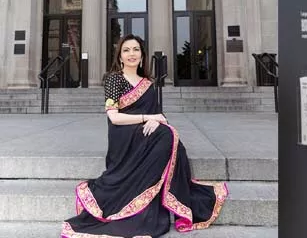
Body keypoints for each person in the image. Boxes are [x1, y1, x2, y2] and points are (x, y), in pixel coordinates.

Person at [61, 34, 228, 238]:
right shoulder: (114, 78)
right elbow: (114, 118)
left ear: (142, 56)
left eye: (136, 50)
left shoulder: (148, 84)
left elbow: (159, 115)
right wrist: (146, 117)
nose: (131, 54)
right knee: (167, 135)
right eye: (126, 50)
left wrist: (154, 120)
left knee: (168, 135)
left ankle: (145, 187)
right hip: (123, 135)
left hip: (144, 132)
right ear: (120, 57)